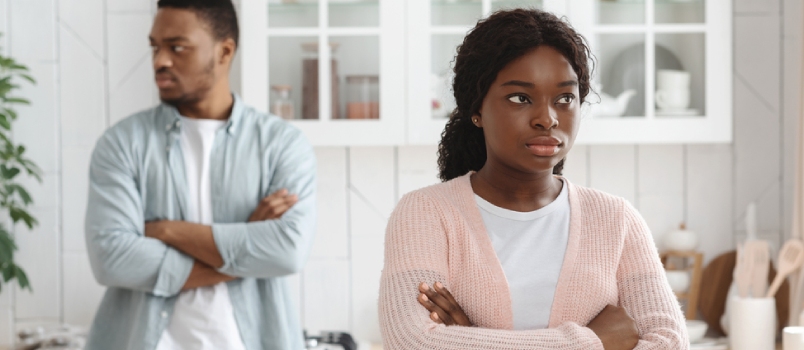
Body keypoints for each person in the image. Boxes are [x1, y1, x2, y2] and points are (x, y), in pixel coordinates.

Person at [378, 8, 687, 350]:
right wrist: (595, 342)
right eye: (520, 98)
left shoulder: (617, 220)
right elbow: (411, 342)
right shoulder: (425, 214)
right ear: (476, 110)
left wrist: (472, 338)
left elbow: (669, 343)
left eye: (565, 98)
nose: (547, 118)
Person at [83, 0, 316, 349]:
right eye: (155, 47)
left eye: (177, 47)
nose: (160, 61)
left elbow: (287, 252)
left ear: (224, 52)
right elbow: (112, 260)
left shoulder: (282, 144)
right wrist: (249, 240)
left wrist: (165, 230)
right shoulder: (121, 144)